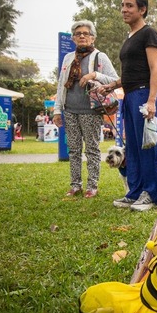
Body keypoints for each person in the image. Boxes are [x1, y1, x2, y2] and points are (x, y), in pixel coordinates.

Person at [102, 0, 157, 211]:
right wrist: (111, 85)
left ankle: (153, 194)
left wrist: (151, 101)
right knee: (133, 147)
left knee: (148, 145)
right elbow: (131, 72)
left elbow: (155, 68)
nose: (124, 9)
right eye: (122, 5)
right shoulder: (129, 37)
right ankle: (135, 191)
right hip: (128, 95)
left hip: (144, 95)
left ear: (142, 9)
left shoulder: (149, 34)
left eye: (129, 5)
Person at [53, 20, 119, 198]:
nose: (82, 36)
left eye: (86, 33)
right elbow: (61, 85)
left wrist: (95, 75)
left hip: (91, 110)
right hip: (70, 109)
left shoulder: (100, 57)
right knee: (73, 149)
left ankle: (92, 186)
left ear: (93, 38)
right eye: (78, 33)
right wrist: (57, 110)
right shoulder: (68, 58)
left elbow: (115, 79)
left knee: (92, 149)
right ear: (73, 38)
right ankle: (75, 186)